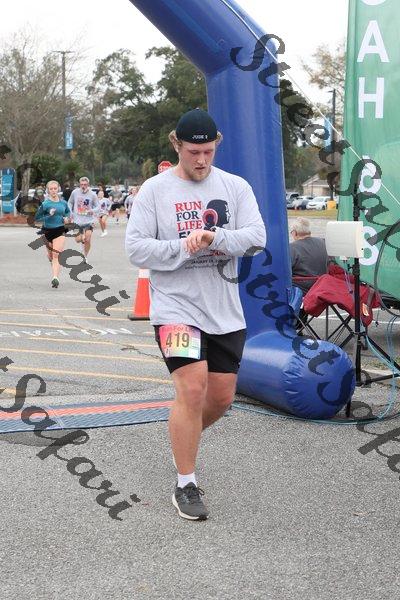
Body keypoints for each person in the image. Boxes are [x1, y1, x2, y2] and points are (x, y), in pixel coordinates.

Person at [125, 108, 266, 521]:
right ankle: (185, 482)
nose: (201, 160)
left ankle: (181, 436)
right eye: (193, 152)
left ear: (216, 145)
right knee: (191, 389)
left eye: (207, 152)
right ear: (177, 145)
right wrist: (181, 246)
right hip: (175, 308)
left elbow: (257, 238)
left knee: (220, 398)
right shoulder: (154, 190)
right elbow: (136, 248)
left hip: (224, 311)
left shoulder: (236, 186)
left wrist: (214, 237)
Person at [290, 217, 328, 331]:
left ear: (295, 233)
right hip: (322, 287)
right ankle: (300, 324)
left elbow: (285, 270)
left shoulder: (292, 248)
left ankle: (293, 325)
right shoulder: (323, 243)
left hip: (302, 290)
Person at [34, 180, 71, 288]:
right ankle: (52, 264)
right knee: (50, 255)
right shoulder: (45, 204)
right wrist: (48, 215)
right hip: (47, 231)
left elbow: (68, 212)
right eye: (51, 189)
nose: (53, 190)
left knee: (56, 254)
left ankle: (55, 278)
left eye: (55, 188)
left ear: (58, 189)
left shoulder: (63, 203)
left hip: (60, 230)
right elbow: (37, 218)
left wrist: (67, 218)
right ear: (48, 190)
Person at [68, 176, 99, 260]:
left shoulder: (92, 194)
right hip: (77, 220)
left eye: (85, 184)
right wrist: (70, 212)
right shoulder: (75, 192)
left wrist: (92, 210)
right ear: (79, 184)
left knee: (88, 239)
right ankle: (82, 241)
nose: (83, 186)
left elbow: (98, 207)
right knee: (78, 239)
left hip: (88, 221)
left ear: (88, 185)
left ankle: (85, 255)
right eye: (81, 184)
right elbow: (70, 202)